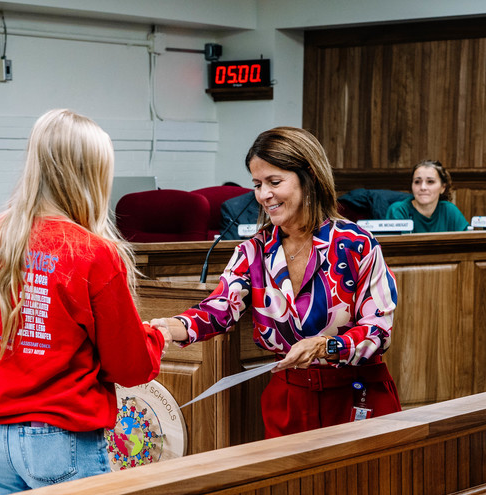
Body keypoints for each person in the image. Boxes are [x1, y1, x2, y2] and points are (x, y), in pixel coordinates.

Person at [0, 109, 168, 495]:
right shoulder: (91, 252)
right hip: (58, 439)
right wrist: (155, 337)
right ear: (90, 175)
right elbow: (130, 366)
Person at [152, 126, 400, 438]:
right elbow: (216, 311)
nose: (263, 194)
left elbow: (379, 329)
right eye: (257, 184)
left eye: (274, 182)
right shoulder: (254, 251)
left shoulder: (355, 243)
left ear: (308, 176)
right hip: (290, 401)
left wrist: (327, 346)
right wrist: (168, 327)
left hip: (356, 395)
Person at [385, 160, 469, 232]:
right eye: (417, 182)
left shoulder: (450, 210)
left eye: (430, 182)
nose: (423, 187)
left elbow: (468, 242)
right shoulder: (398, 211)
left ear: (443, 187)